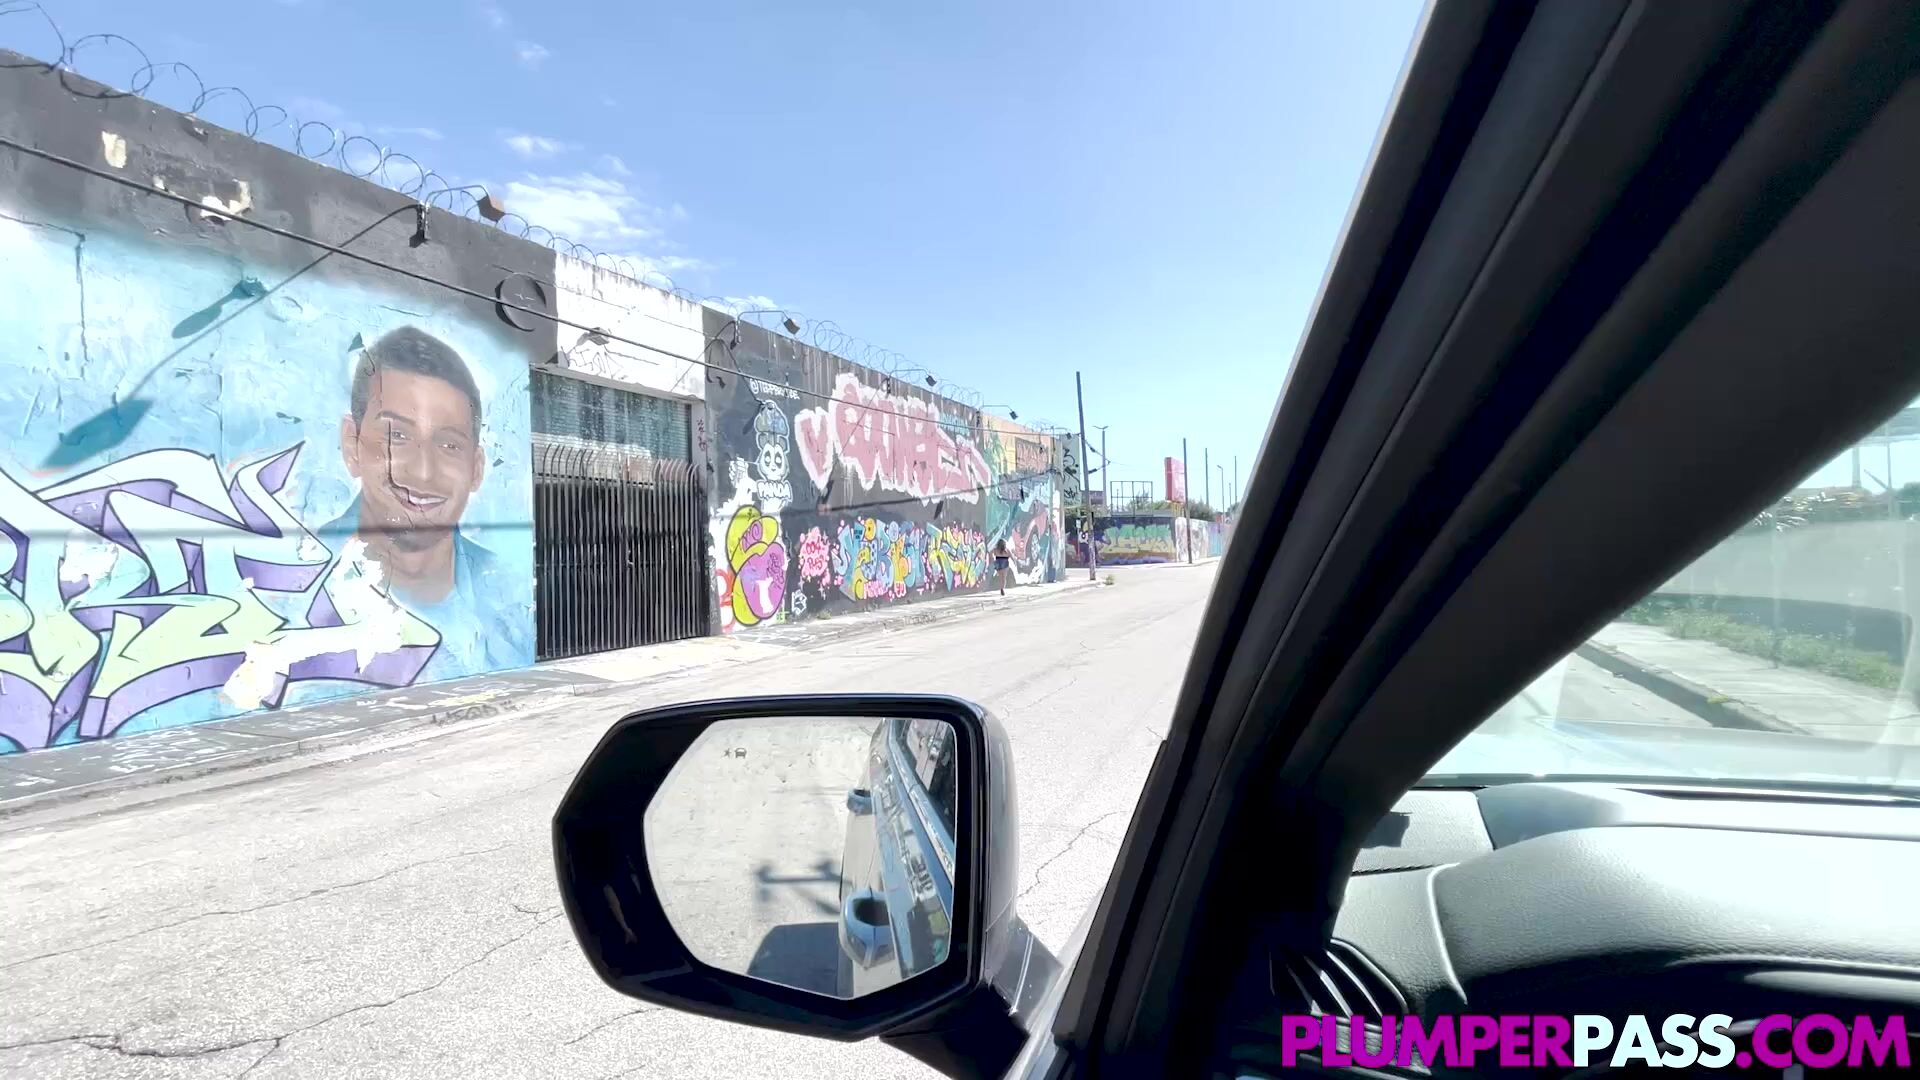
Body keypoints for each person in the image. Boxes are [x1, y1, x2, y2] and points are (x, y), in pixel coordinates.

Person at [323, 325, 528, 676]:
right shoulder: (293, 580)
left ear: (476, 469)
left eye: (449, 444)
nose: (423, 471)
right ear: (352, 444)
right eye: (397, 436)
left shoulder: (511, 596)